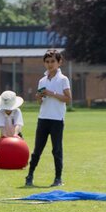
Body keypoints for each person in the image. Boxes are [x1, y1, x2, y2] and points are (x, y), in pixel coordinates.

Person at [27, 49, 72, 187]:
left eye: (53, 61)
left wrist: (51, 93)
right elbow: (41, 102)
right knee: (37, 150)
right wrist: (39, 97)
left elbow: (68, 99)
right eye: (47, 62)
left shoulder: (63, 79)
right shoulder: (42, 80)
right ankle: (29, 176)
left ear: (59, 62)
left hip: (57, 120)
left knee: (56, 150)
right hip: (43, 118)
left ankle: (58, 179)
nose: (50, 64)